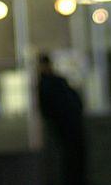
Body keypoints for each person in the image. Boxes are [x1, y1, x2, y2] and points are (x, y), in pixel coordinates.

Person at [37, 53, 87, 185]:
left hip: (64, 124)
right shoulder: (54, 82)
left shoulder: (50, 83)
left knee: (69, 157)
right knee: (70, 156)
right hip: (66, 124)